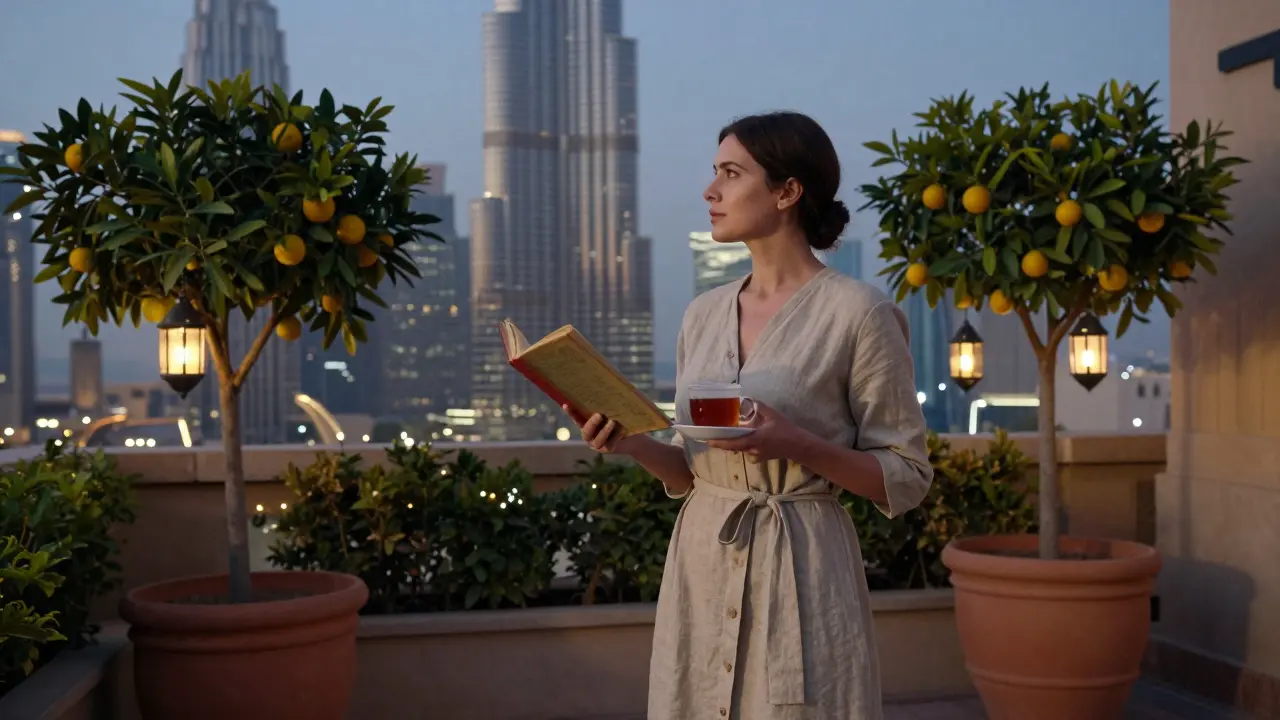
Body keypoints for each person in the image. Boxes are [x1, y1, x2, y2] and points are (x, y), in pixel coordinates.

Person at [568, 111, 933, 719]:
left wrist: (793, 442)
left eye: (732, 174)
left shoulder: (859, 314)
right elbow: (693, 473)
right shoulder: (701, 315)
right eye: (714, 173)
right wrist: (630, 442)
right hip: (701, 566)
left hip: (802, 570)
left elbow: (907, 477)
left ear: (788, 191)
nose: (711, 191)